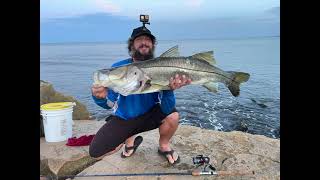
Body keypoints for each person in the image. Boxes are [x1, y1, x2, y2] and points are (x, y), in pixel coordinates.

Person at [89, 25, 191, 165]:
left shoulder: (162, 67)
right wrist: (98, 97)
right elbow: (109, 104)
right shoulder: (119, 68)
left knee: (173, 116)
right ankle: (130, 139)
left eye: (148, 40)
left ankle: (164, 145)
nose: (144, 42)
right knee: (96, 151)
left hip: (150, 116)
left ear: (153, 44)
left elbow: (167, 108)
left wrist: (168, 89)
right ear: (132, 45)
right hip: (126, 118)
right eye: (139, 39)